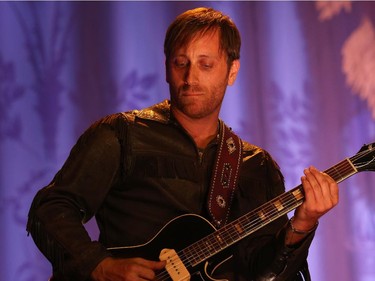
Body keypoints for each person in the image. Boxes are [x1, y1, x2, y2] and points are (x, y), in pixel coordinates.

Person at [27, 7, 338, 281]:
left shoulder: (256, 166)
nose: (190, 78)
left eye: (205, 64)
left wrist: (304, 222)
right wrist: (99, 265)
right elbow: (51, 209)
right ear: (166, 68)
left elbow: (263, 272)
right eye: (180, 63)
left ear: (232, 71)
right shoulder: (121, 135)